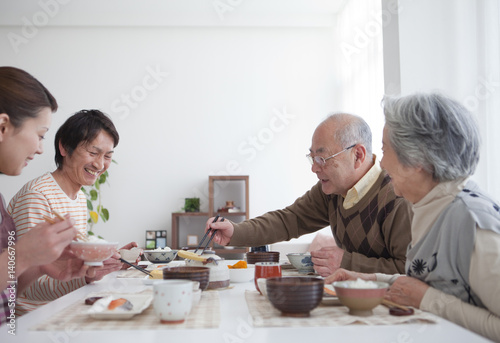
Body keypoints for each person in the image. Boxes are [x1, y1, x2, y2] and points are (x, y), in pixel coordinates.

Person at [326, 92, 500, 341]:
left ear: (416, 158)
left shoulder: (472, 223)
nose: (382, 164)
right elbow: (432, 280)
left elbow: (430, 295)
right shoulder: (430, 205)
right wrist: (371, 279)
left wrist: (428, 301)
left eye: (385, 150)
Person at [205, 113, 412, 276]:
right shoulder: (332, 191)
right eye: (312, 158)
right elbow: (289, 220)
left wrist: (347, 264)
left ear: (357, 155)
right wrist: (236, 231)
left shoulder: (398, 195)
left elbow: (410, 270)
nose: (314, 168)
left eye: (322, 158)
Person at [8, 109, 137, 315]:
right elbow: (22, 286)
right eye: (93, 153)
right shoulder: (38, 196)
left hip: (64, 308)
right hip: (31, 320)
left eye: (107, 156)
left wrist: (107, 261)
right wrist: (84, 277)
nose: (100, 164)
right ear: (64, 147)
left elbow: (69, 261)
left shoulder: (79, 197)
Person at [0, 66, 89, 325]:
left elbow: (7, 296)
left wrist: (39, 265)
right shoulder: (37, 193)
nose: (40, 149)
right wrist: (25, 255)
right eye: (39, 135)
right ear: (3, 126)